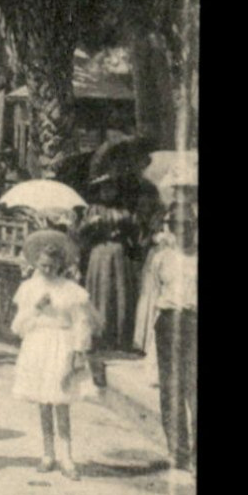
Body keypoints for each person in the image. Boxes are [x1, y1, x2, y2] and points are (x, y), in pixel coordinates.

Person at [11, 230, 96, 480]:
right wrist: (37, 308)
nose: (47, 270)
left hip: (62, 343)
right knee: (43, 401)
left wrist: (78, 351)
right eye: (43, 265)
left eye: (52, 265)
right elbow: (17, 327)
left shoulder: (71, 290)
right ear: (36, 263)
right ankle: (48, 454)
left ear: (61, 265)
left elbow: (81, 323)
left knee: (61, 400)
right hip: (37, 345)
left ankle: (67, 457)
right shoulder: (28, 288)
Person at [139, 206, 197, 471]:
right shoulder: (161, 258)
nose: (181, 231)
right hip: (167, 322)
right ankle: (178, 452)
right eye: (176, 226)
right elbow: (152, 296)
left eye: (187, 225)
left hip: (193, 322)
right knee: (170, 389)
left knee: (193, 389)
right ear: (171, 229)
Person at [78, 176, 141, 354]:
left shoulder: (124, 210)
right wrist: (91, 224)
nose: (108, 192)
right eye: (105, 189)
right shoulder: (93, 209)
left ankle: (119, 337)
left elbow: (135, 233)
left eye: (111, 188)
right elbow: (81, 233)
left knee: (119, 293)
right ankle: (100, 336)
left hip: (120, 254)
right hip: (100, 254)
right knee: (102, 291)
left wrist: (126, 225)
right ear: (99, 191)